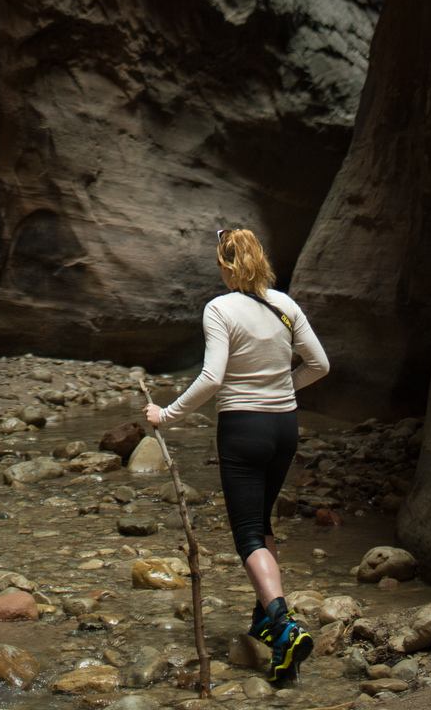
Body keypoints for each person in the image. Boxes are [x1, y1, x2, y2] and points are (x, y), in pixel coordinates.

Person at [145, 226, 330, 687]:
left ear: (226, 266)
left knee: (247, 534)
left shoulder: (219, 308)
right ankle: (264, 621)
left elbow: (211, 378)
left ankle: (285, 626)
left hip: (243, 429)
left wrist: (166, 414)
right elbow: (320, 365)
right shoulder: (285, 305)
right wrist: (282, 389)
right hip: (284, 426)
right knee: (264, 524)